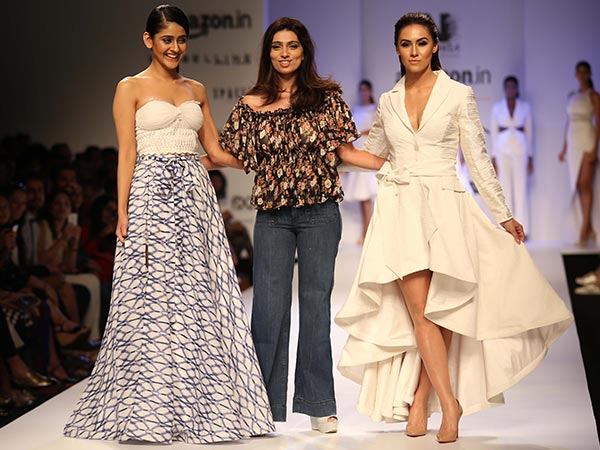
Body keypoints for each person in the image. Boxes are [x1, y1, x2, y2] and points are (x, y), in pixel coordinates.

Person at [334, 12, 573, 443]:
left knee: (441, 309)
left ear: (435, 46)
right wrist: (332, 151)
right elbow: (374, 154)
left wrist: (503, 213)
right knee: (421, 312)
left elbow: (478, 158)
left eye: (421, 43)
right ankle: (449, 403)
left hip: (447, 207)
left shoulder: (459, 94)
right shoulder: (388, 100)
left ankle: (427, 398)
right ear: (397, 49)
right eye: (406, 44)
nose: (414, 51)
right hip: (401, 210)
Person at [63, 5, 274, 444]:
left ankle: (202, 403)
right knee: (153, 297)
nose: (175, 47)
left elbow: (214, 151)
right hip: (150, 196)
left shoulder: (196, 88)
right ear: (149, 40)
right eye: (166, 39)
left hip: (195, 198)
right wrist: (123, 211)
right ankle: (149, 408)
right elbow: (127, 153)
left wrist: (267, 162)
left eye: (181, 39)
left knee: (197, 296)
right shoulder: (129, 87)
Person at [219, 17, 360, 433]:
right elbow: (231, 155)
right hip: (273, 216)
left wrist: (395, 163)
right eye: (277, 46)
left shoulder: (327, 98)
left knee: (315, 306)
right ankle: (260, 404)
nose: (284, 53)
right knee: (268, 307)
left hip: (320, 212)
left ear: (304, 51)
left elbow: (347, 153)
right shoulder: (251, 103)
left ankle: (319, 404)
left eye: (292, 45)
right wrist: (180, 157)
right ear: (268, 53)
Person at [559, 60, 600, 247]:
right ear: (576, 75)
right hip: (573, 143)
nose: (582, 75)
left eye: (585, 72)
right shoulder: (573, 96)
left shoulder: (594, 96)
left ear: (589, 74)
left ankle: (584, 230)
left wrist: (594, 149)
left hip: (586, 142)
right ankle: (589, 228)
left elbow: (598, 124)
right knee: (578, 185)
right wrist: (564, 148)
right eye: (579, 72)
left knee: (585, 184)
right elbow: (568, 122)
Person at [490, 76, 533, 238]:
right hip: (502, 150)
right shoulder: (497, 108)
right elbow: (494, 133)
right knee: (504, 189)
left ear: (516, 88)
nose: (510, 90)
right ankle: (506, 230)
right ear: (504, 89)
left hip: (521, 150)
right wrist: (494, 156)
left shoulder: (525, 107)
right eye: (508, 87)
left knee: (521, 189)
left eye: (513, 87)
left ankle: (523, 229)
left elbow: (529, 132)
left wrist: (530, 156)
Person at [343, 80, 379, 244]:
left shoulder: (374, 110)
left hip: (368, 153)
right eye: (361, 90)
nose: (363, 93)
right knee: (361, 196)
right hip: (355, 155)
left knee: (368, 197)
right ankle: (366, 232)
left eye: (366, 90)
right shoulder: (355, 110)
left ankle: (368, 233)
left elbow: (378, 129)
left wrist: (363, 132)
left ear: (370, 91)